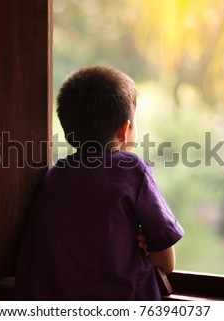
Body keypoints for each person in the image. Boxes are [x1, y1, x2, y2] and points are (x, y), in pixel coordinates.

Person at [15, 66, 184, 300]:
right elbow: (166, 262)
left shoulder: (53, 176)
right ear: (124, 130)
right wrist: (145, 247)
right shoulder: (131, 170)